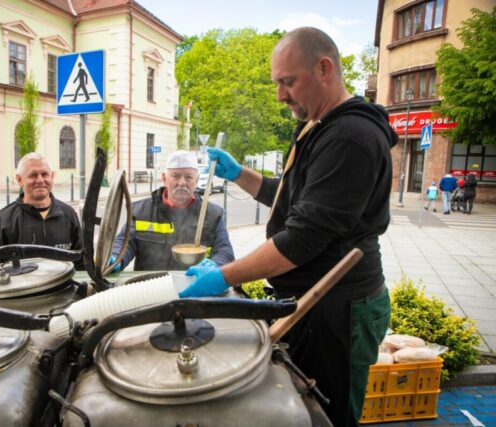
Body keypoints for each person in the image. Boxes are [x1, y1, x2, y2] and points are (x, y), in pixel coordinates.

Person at [178, 27, 396, 426]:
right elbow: (292, 198)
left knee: (328, 415)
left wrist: (223, 276)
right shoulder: (319, 124)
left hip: (338, 308)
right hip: (314, 299)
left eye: (288, 81)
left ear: (325, 68)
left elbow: (302, 238)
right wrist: (240, 174)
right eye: (277, 83)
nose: (280, 95)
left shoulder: (350, 136)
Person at [110, 150, 234, 271]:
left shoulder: (212, 215)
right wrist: (115, 258)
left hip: (196, 282)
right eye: (176, 176)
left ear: (196, 181)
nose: (182, 182)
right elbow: (125, 243)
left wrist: (215, 264)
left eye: (189, 177)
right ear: (164, 178)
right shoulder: (141, 212)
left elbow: (225, 251)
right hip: (150, 283)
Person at [0, 152, 83, 260]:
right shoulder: (0, 223)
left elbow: (80, 260)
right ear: (19, 180)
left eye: (45, 174)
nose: (40, 180)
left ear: (52, 176)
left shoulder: (69, 215)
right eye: (33, 175)